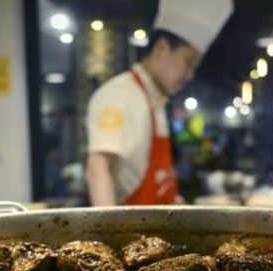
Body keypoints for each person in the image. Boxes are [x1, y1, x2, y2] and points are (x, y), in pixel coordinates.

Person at [86, 0, 233, 206]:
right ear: (162, 48)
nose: (190, 75)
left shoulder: (156, 100)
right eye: (188, 62)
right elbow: (98, 167)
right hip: (128, 232)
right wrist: (107, 232)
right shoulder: (120, 95)